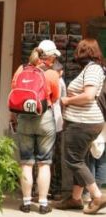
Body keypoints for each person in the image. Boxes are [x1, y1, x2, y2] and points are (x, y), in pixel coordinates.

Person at [55, 38, 106, 214]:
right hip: (86, 122)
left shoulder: (92, 69)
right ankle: (75, 199)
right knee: (80, 159)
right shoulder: (92, 68)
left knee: (73, 160)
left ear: (83, 51)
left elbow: (89, 95)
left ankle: (97, 196)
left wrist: (67, 100)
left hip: (83, 122)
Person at [11, 40, 60, 214]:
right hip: (44, 118)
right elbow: (54, 97)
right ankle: (43, 203)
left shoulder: (21, 69)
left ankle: (25, 202)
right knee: (44, 163)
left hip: (24, 118)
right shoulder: (52, 74)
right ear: (49, 57)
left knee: (26, 162)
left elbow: (15, 91)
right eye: (54, 56)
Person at [49, 60, 67, 200]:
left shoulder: (46, 77)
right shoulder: (61, 82)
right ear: (61, 71)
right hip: (58, 122)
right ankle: (57, 190)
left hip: (46, 121)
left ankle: (38, 189)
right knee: (56, 157)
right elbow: (63, 102)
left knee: (43, 156)